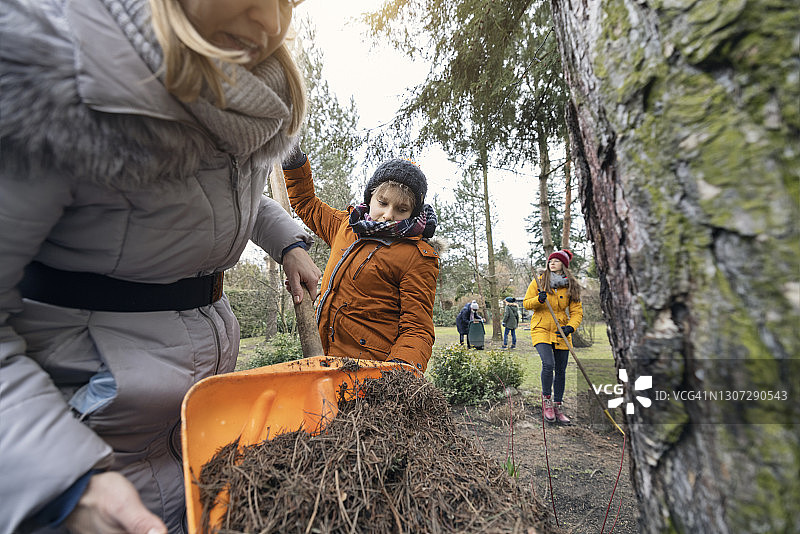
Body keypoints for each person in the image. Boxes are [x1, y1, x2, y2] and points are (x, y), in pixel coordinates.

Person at [0, 0, 323, 532]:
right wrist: (64, 482)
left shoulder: (237, 97)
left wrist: (288, 243)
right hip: (88, 440)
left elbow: (222, 197)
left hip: (192, 426)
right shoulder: (52, 82)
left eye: (290, 0)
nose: (272, 23)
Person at [283, 152, 440, 372]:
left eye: (401, 209)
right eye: (382, 203)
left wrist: (399, 373)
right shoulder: (346, 227)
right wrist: (293, 160)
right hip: (323, 360)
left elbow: (417, 329)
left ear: (413, 212)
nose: (388, 214)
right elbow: (306, 203)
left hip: (371, 372)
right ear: (370, 197)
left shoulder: (416, 257)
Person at [523, 249, 583, 424]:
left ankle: (558, 405)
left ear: (563, 265)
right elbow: (527, 303)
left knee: (561, 371)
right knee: (548, 364)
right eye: (550, 261)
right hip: (541, 328)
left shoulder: (572, 286)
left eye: (556, 261)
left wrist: (570, 328)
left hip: (561, 331)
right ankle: (547, 402)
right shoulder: (540, 282)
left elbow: (577, 311)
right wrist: (538, 300)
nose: (552, 263)